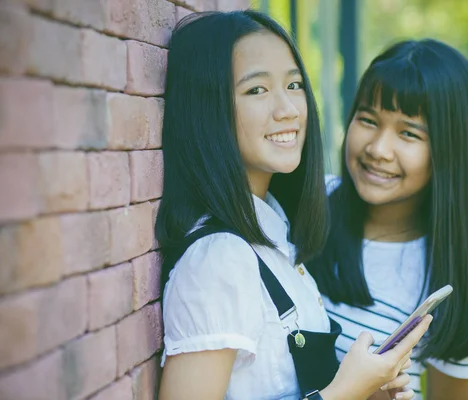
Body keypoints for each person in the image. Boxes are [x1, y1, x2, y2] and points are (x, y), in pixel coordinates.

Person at [155, 11, 431, 400]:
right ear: (208, 108)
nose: (288, 109)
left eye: (294, 84)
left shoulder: (276, 240)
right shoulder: (220, 259)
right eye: (257, 90)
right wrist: (345, 392)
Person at [308, 39, 468, 400]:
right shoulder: (306, 205)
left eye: (408, 133)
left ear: (450, 150)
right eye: (368, 120)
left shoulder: (458, 274)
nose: (378, 149)